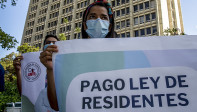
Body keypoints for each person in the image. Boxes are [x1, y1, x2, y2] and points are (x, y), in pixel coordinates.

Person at [39, 0, 116, 110]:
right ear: (85, 26)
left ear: (109, 27)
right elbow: (56, 105)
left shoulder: (122, 56)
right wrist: (50, 69)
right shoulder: (69, 57)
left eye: (104, 17)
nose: (98, 20)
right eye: (92, 17)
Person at [13, 34, 59, 112]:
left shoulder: (63, 65)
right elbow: (24, 93)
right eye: (48, 42)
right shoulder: (34, 64)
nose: (51, 44)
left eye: (54, 43)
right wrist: (18, 71)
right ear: (43, 46)